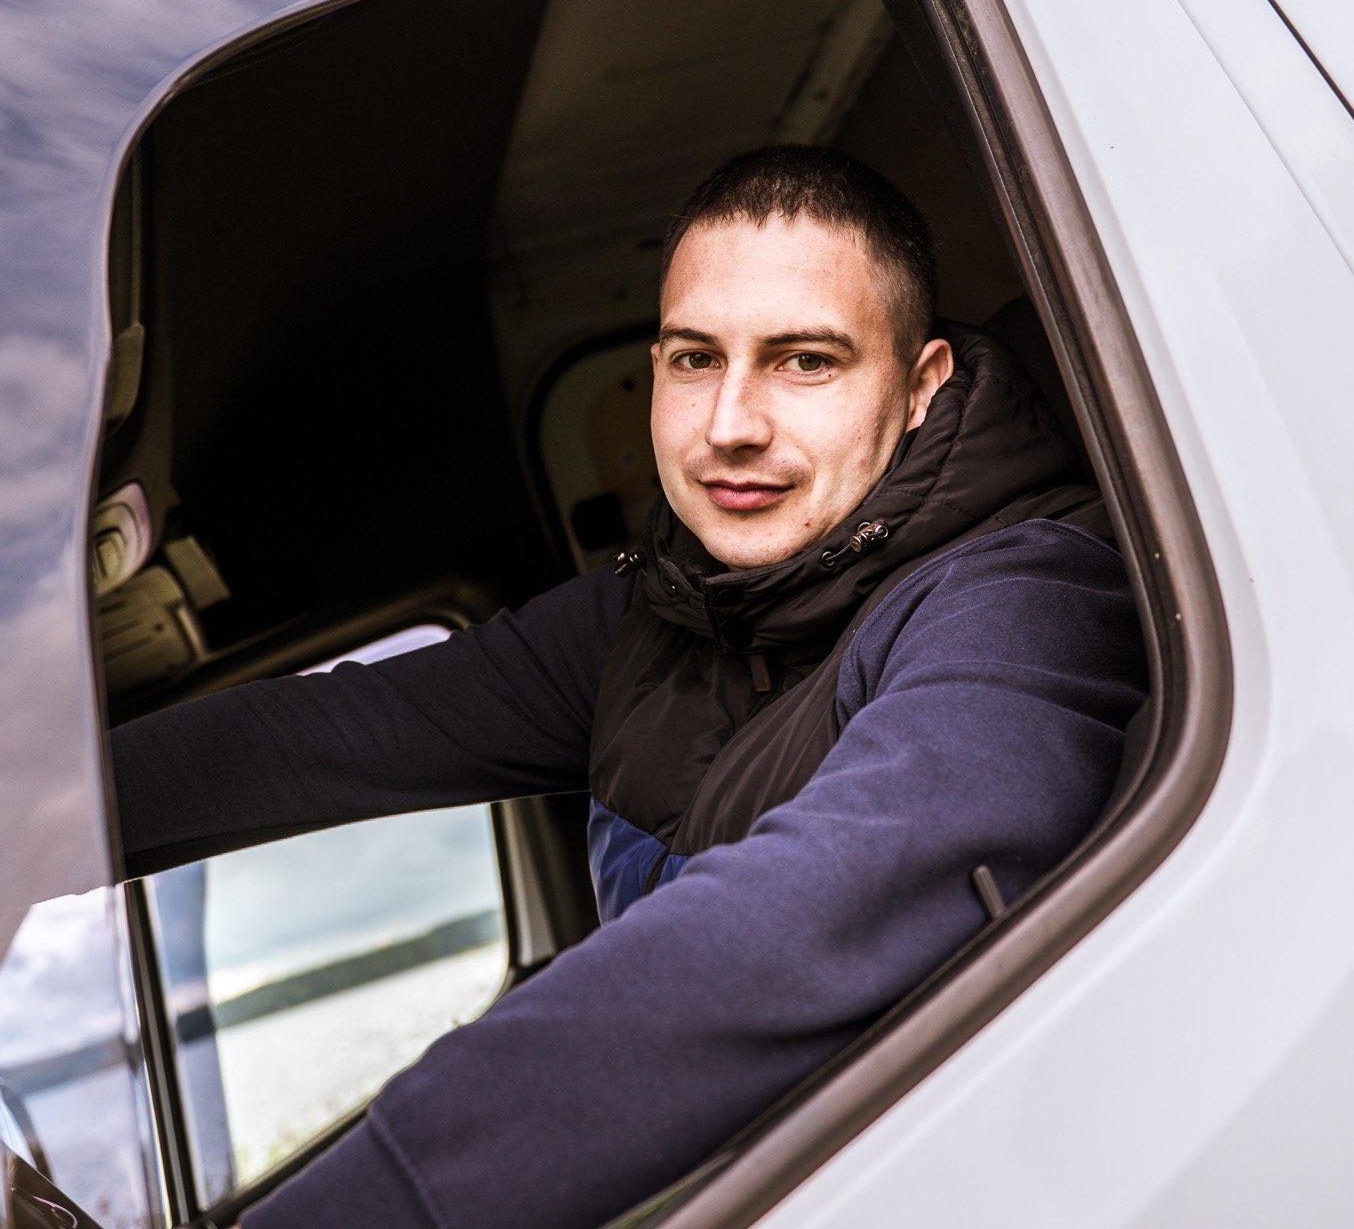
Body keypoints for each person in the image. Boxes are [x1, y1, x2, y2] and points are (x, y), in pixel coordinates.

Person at [113, 145, 1149, 1227]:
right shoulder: (660, 607)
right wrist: (20, 817)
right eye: (695, 358)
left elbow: (799, 926)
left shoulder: (1024, 597)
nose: (730, 423)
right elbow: (328, 734)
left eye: (804, 361)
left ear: (920, 384)